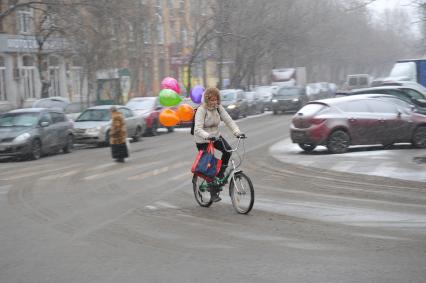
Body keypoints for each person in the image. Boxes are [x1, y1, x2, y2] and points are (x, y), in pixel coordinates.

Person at [194, 87, 245, 202]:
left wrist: (237, 132)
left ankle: (220, 175)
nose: (214, 102)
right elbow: (197, 129)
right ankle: (213, 193)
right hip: (203, 140)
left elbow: (228, 120)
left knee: (227, 151)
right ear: (207, 99)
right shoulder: (201, 110)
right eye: (211, 100)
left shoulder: (218, 108)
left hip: (215, 136)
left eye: (216, 99)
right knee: (210, 164)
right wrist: (207, 136)